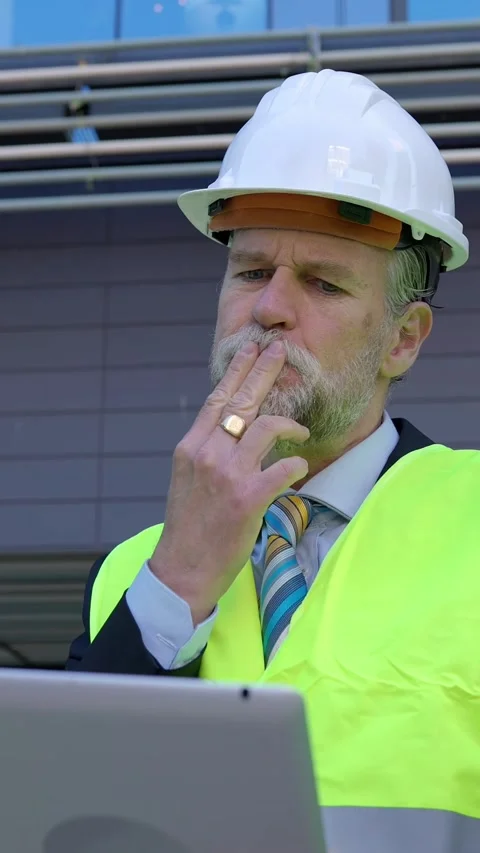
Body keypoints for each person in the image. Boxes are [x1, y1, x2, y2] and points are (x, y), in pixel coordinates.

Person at [68, 69, 480, 851]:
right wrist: (180, 577)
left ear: (404, 337)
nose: (268, 308)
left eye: (322, 283)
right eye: (252, 271)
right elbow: (69, 820)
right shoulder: (129, 575)